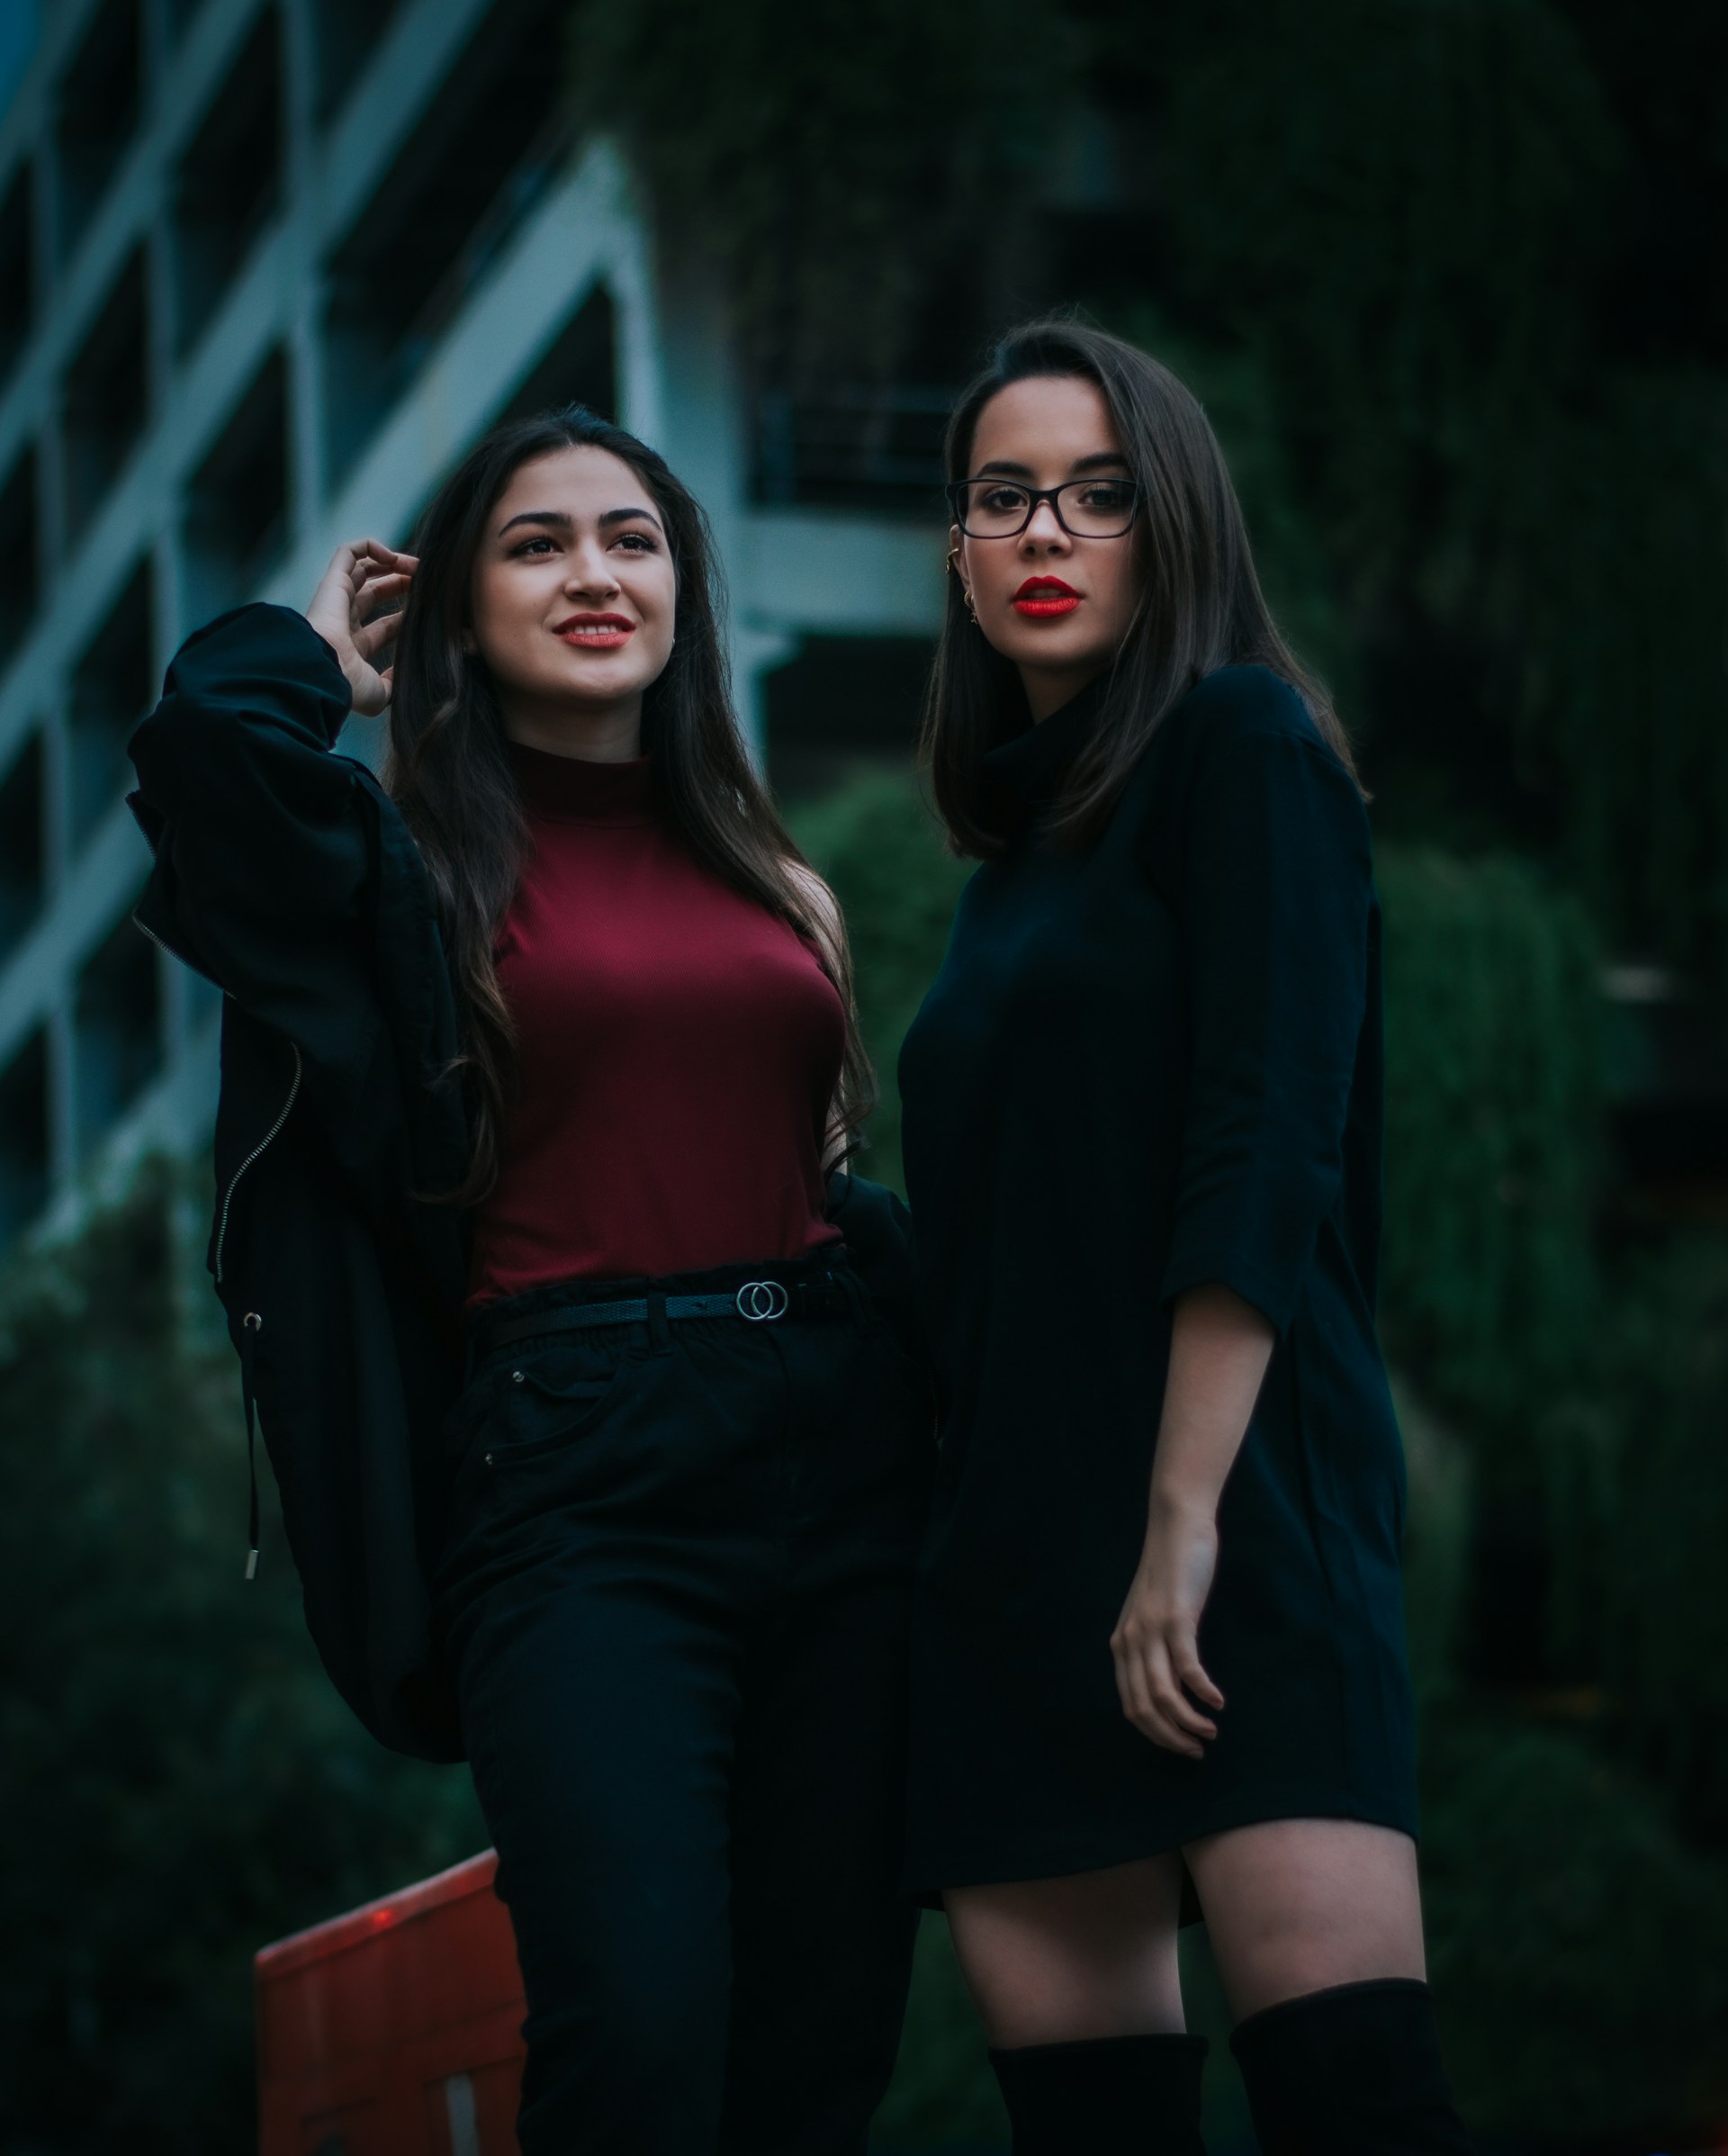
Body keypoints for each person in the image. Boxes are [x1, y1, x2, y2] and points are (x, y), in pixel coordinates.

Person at [127, 407, 933, 2155]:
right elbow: (200, 762)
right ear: (462, 610)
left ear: (683, 592)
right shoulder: (404, 873)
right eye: (539, 542)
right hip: (578, 1487)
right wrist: (314, 659)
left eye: (632, 539)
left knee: (823, 2051)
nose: (594, 572)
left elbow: (823, 1166)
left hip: (837, 1460)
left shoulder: (776, 875)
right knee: (635, 2034)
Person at [896, 320, 1473, 2155]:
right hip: (1010, 1585)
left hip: (1228, 1540)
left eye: (1097, 491)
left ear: (1174, 524)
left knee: (1355, 2106)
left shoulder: (1247, 749)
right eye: (1004, 496)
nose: (1046, 527)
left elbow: (1267, 1141)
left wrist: (1181, 1525)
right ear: (962, 553)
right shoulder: (1002, 879)